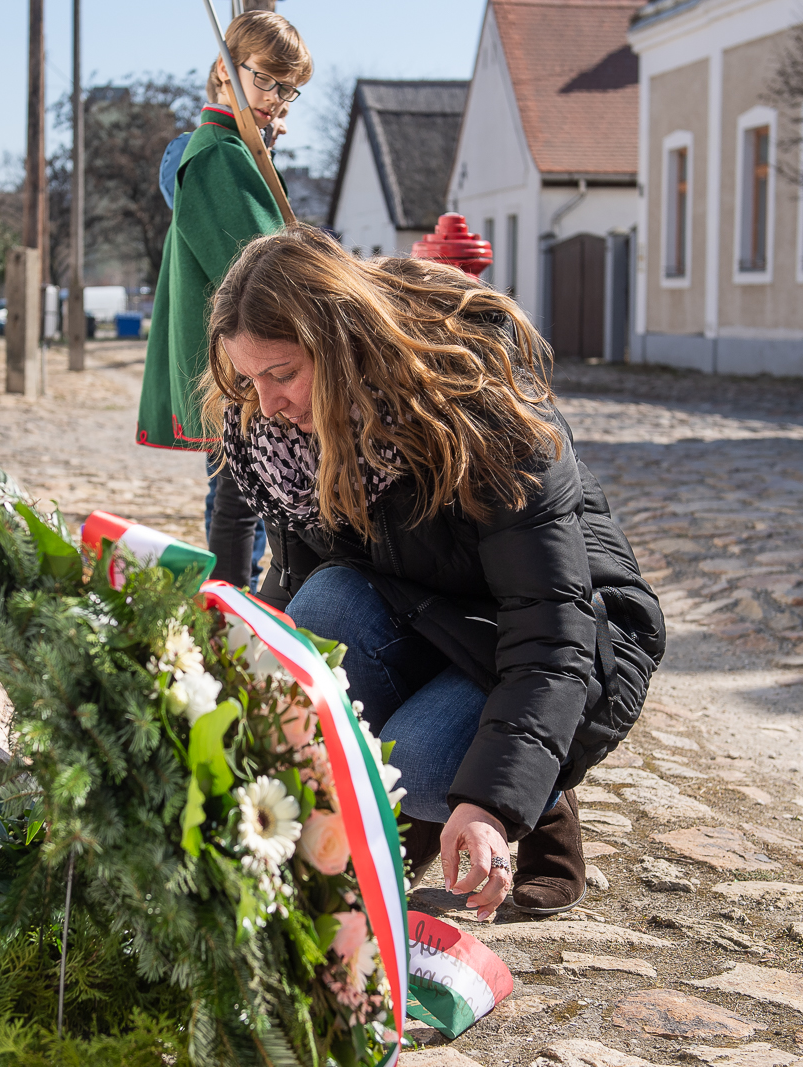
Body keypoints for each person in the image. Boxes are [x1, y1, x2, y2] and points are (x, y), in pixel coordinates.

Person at [201, 228, 662, 920]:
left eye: (283, 374)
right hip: (425, 613)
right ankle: (418, 814)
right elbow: (299, 594)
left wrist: (489, 799)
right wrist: (228, 695)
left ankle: (527, 802)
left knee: (414, 765)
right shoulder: (283, 440)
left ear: (342, 345)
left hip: (574, 635)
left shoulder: (487, 419)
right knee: (322, 608)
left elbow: (553, 633)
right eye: (248, 378)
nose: (265, 403)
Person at [136, 11, 312, 587]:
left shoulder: (238, 148)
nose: (276, 100)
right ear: (223, 69)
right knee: (242, 494)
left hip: (245, 353)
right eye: (264, 80)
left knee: (247, 490)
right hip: (241, 358)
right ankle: (230, 612)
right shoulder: (216, 154)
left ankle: (232, 606)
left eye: (289, 90)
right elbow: (260, 265)